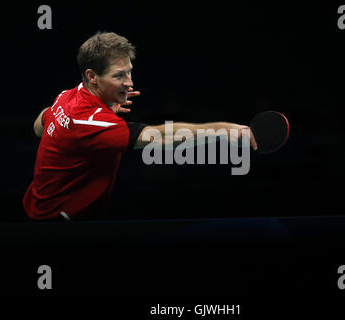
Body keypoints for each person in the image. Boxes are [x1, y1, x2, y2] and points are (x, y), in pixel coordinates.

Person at [23, 31, 257, 221]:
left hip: (36, 208)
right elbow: (160, 137)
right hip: (56, 225)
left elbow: (39, 126)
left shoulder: (66, 96)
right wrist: (225, 130)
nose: (129, 82)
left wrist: (100, 112)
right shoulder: (90, 120)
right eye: (118, 76)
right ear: (92, 76)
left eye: (129, 72)